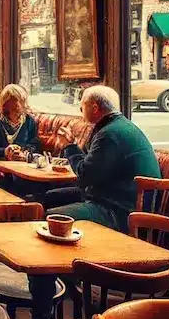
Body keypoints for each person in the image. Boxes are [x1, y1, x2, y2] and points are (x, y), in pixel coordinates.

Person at [47, 85, 161, 231]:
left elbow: (85, 176)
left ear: (95, 108)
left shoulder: (109, 134)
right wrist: (73, 146)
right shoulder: (117, 126)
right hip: (116, 199)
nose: (80, 111)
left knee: (51, 217)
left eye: (82, 106)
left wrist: (69, 146)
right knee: (52, 197)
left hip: (121, 212)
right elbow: (92, 168)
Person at [0, 83, 40, 160]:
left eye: (21, 103)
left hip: (21, 164)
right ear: (4, 106)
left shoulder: (29, 121)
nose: (19, 109)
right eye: (13, 108)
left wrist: (25, 152)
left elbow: (35, 144)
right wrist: (4, 152)